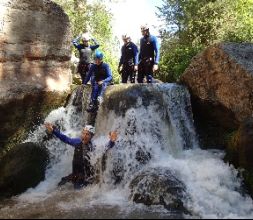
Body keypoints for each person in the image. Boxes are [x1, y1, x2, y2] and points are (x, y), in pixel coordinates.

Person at [44, 123, 118, 189]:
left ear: (91, 136)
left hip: (85, 177)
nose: (84, 136)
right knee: (59, 185)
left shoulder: (93, 146)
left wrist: (112, 141)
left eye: (87, 134)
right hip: (75, 174)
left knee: (77, 192)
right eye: (83, 133)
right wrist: (54, 131)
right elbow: (65, 138)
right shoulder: (77, 142)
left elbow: (106, 147)